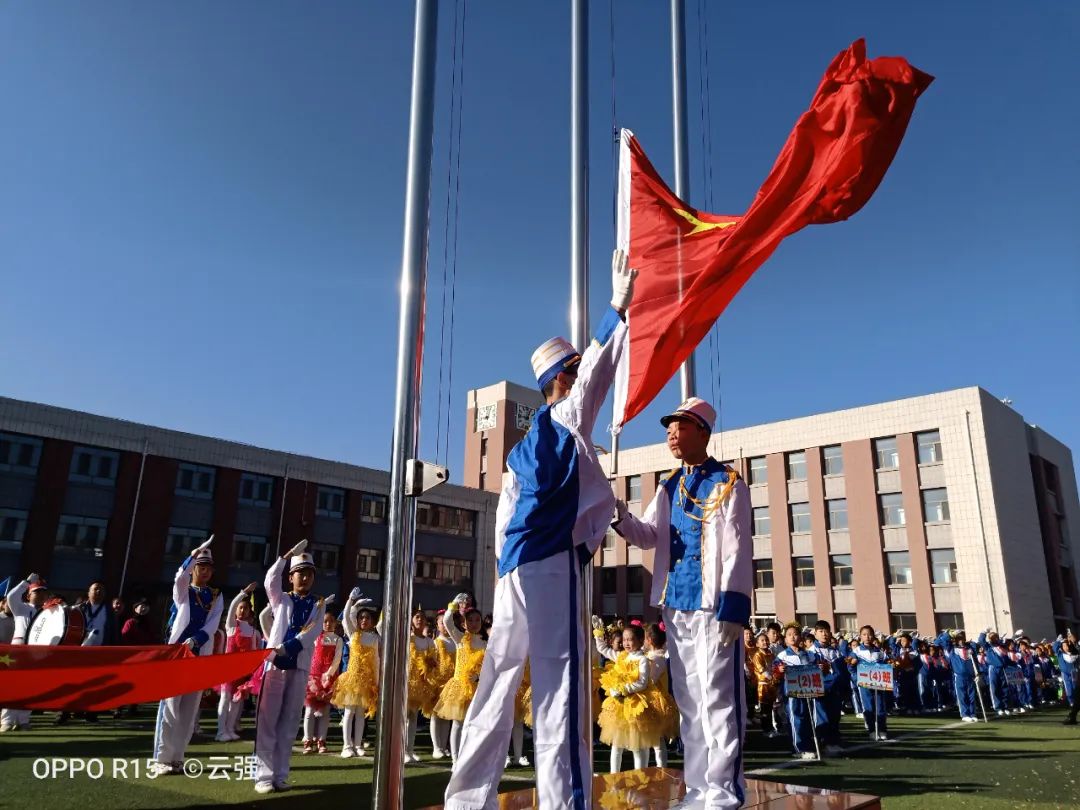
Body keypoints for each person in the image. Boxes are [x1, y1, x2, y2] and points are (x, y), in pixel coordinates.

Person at [444, 249, 636, 810]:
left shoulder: (517, 454)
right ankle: (564, 801)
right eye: (573, 373)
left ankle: (466, 799)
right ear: (563, 378)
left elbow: (503, 525)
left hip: (514, 570)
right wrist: (616, 310)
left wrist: (504, 576)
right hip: (553, 564)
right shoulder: (566, 418)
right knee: (560, 685)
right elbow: (599, 374)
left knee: (499, 679)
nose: (581, 382)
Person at [613, 396, 752, 809]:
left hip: (713, 606)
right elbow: (648, 535)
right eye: (669, 427)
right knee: (689, 700)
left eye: (681, 426)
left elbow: (737, 548)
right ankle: (697, 789)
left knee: (717, 698)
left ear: (703, 432)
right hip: (675, 604)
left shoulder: (729, 482)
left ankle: (723, 792)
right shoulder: (669, 484)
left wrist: (735, 605)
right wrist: (617, 514)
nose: (671, 433)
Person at [254, 540, 327, 793]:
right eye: (300, 573)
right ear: (291, 577)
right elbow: (269, 580)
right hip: (275, 665)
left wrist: (291, 647)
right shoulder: (281, 599)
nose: (304, 578)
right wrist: (286, 556)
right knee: (268, 718)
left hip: (299, 663)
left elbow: (314, 630)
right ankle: (263, 776)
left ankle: (281, 774)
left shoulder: (318, 603)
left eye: (309, 574)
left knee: (289, 721)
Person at [152, 541, 223, 775]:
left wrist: (197, 640)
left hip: (199, 654)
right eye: (201, 567)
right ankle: (162, 757)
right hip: (177, 654)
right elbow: (179, 579)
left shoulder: (215, 595)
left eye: (208, 568)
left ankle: (177, 757)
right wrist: (191, 556)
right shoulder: (184, 592)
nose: (205, 572)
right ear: (194, 568)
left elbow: (213, 624)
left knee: (190, 709)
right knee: (171, 706)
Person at [593, 618, 655, 773]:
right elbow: (604, 649)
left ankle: (640, 776)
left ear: (640, 641)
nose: (626, 643)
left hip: (635, 707)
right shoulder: (621, 656)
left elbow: (642, 683)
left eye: (630, 639)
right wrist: (599, 634)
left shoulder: (642, 659)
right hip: (619, 707)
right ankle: (614, 777)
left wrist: (623, 689)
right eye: (625, 639)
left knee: (637, 745)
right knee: (616, 744)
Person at [56, 581, 120, 725]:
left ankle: (91, 713)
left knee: (96, 685)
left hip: (100, 653)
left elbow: (114, 633)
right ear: (89, 592)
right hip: (78, 652)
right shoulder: (79, 608)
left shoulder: (109, 612)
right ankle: (64, 713)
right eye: (96, 589)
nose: (99, 592)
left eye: (102, 590)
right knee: (71, 682)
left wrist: (114, 652)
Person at [435, 602, 488, 762]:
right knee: (458, 723)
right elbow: (447, 622)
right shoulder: (460, 639)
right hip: (459, 687)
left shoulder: (485, 643)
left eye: (477, 620)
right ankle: (456, 759)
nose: (474, 623)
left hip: (477, 688)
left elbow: (489, 667)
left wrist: (479, 676)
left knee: (473, 725)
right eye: (470, 620)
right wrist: (453, 606)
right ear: (464, 623)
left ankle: (469, 757)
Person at [332, 589, 380, 758]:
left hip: (367, 681)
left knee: (361, 714)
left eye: (367, 618)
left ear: (372, 622)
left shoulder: (375, 639)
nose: (364, 620)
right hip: (352, 679)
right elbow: (346, 616)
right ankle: (347, 745)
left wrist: (377, 681)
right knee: (349, 712)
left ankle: (358, 744)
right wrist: (351, 600)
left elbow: (377, 661)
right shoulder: (353, 634)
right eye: (361, 617)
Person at [0, 574, 49, 732]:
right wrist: (26, 582)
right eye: (37, 592)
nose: (41, 595)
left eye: (43, 592)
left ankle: (23, 720)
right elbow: (11, 596)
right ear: (29, 595)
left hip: (37, 651)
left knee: (31, 687)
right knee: (14, 685)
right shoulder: (21, 607)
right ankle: (7, 721)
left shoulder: (48, 613)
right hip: (19, 648)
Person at [215, 583, 261, 742]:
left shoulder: (253, 631)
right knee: (225, 698)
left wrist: (252, 672)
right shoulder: (232, 626)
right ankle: (221, 731)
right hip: (228, 669)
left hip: (243, 672)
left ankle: (230, 728)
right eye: (240, 608)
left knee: (236, 701)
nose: (242, 610)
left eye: (245, 608)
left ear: (250, 611)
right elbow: (234, 603)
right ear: (235, 610)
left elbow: (254, 652)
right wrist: (244, 592)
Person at [774, 623, 818, 760]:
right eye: (789, 635)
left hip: (808, 691)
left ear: (801, 637)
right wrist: (779, 671)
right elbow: (775, 673)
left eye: (795, 634)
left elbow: (818, 669)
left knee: (808, 718)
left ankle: (810, 745)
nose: (793, 637)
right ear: (785, 639)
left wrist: (822, 668)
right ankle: (799, 747)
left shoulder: (809, 655)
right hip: (791, 693)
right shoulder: (782, 655)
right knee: (796, 718)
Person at [304, 610, 344, 754]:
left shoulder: (338, 640)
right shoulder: (316, 637)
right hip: (313, 678)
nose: (327, 624)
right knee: (309, 710)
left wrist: (329, 674)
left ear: (335, 623)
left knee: (325, 711)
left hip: (329, 679)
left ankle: (321, 740)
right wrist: (318, 610)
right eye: (325, 621)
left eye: (330, 621)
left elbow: (337, 659)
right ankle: (307, 740)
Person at [405, 609, 439, 763]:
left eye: (422, 618)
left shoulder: (429, 641)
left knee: (413, 717)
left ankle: (409, 750)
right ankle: (403, 750)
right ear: (411, 620)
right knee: (405, 717)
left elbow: (434, 662)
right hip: (406, 681)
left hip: (421, 684)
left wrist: (431, 664)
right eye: (416, 617)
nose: (419, 620)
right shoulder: (407, 638)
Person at [852, 625, 889, 740]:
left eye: (869, 634)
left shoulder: (880, 652)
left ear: (873, 636)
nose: (867, 637)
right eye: (864, 634)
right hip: (864, 684)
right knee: (868, 706)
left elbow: (886, 665)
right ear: (860, 636)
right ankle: (872, 729)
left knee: (880, 706)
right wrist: (857, 678)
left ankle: (882, 729)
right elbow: (851, 668)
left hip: (879, 683)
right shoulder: (856, 651)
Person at [430, 611, 457, 759]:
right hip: (438, 683)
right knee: (436, 715)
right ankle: (436, 746)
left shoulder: (454, 641)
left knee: (447, 716)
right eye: (442, 623)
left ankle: (444, 745)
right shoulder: (437, 642)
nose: (445, 626)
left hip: (452, 683)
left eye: (447, 623)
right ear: (437, 625)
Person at [750, 632, 778, 738]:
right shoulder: (757, 655)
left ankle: (771, 728)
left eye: (766, 640)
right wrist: (772, 677)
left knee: (771, 708)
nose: (765, 642)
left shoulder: (770, 654)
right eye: (762, 640)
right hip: (763, 685)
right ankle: (766, 729)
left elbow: (775, 666)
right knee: (765, 709)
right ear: (757, 644)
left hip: (772, 684)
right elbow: (761, 670)